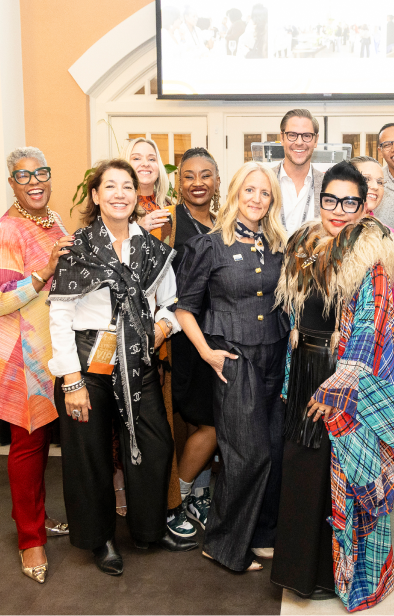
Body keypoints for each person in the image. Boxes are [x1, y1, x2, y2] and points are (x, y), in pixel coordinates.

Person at [272, 161, 394, 610]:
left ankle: (340, 577)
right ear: (320, 199)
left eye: (350, 202)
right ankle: (300, 573)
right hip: (303, 370)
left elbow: (371, 325)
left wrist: (340, 385)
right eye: (331, 199)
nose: (339, 210)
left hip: (345, 378)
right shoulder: (304, 244)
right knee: (303, 470)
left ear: (364, 205)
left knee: (341, 475)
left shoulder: (373, 253)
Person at [48, 159, 180, 575]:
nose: (119, 194)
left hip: (138, 362)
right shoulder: (77, 246)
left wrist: (162, 327)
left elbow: (170, 304)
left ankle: (147, 529)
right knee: (89, 456)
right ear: (95, 195)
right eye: (110, 186)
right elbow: (60, 315)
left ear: (137, 196)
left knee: (155, 446)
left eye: (127, 186)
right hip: (87, 366)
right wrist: (71, 381)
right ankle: (100, 539)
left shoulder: (152, 248)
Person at [0, 147, 70, 583]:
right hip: (18, 354)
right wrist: (45, 271)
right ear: (12, 183)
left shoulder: (54, 220)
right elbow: (1, 299)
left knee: (41, 443)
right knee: (27, 445)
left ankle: (38, 519)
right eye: (24, 176)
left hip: (49, 349)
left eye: (41, 172)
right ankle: (30, 540)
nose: (35, 182)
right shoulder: (3, 232)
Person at [175, 161, 288, 572]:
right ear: (235, 193)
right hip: (234, 358)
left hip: (275, 355)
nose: (256, 199)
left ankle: (262, 534)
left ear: (272, 200)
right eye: (249, 190)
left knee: (273, 449)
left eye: (265, 193)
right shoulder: (208, 246)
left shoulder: (278, 245)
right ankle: (223, 544)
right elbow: (184, 308)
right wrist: (207, 351)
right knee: (245, 454)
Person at [122, 137, 197, 549]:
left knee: (167, 426)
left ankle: (171, 502)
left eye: (151, 157)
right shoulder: (120, 210)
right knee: (140, 431)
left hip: (169, 330)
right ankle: (154, 508)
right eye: (136, 157)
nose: (145, 163)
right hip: (125, 338)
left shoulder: (171, 209)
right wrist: (138, 229)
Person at [161, 148, 221, 531]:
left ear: (217, 180)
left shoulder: (225, 221)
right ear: (178, 182)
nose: (197, 183)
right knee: (208, 424)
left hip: (219, 336)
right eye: (188, 176)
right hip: (184, 338)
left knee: (211, 421)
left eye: (205, 175)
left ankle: (198, 495)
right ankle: (176, 502)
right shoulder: (167, 223)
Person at [350, 155, 394, 367]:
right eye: (366, 179)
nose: (375, 187)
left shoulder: (391, 238)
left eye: (380, 181)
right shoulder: (326, 232)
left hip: (374, 350)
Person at [275, 109, 324, 236]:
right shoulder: (265, 180)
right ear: (282, 138)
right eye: (292, 135)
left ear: (315, 140)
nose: (299, 142)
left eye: (306, 136)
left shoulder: (327, 185)